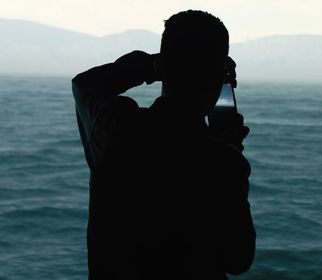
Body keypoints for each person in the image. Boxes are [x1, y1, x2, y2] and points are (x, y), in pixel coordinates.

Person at [72, 10, 255, 280]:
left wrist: (154, 66)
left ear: (165, 66)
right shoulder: (222, 164)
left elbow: (86, 84)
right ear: (220, 79)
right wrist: (231, 153)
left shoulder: (115, 129)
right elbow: (238, 259)